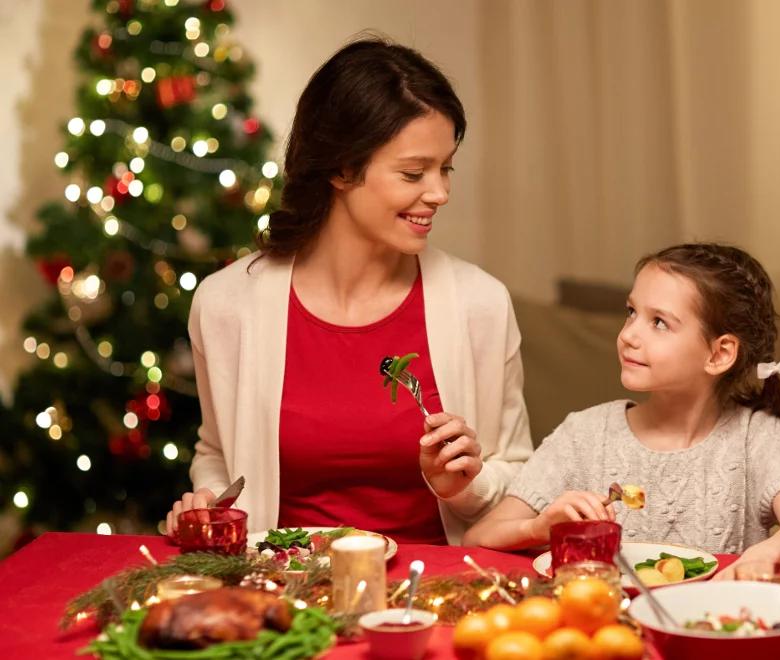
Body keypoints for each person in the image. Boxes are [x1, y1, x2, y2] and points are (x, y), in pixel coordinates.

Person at [163, 38, 533, 544]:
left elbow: (520, 476)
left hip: (430, 596)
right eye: (413, 172)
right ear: (340, 167)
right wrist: (210, 501)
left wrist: (462, 485)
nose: (440, 193)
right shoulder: (227, 304)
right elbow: (216, 453)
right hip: (281, 595)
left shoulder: (480, 305)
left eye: (445, 168)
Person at [464, 243, 780, 575]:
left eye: (659, 323)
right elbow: (479, 536)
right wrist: (539, 527)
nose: (629, 335)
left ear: (719, 354)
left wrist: (763, 554)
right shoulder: (585, 434)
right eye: (631, 312)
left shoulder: (757, 438)